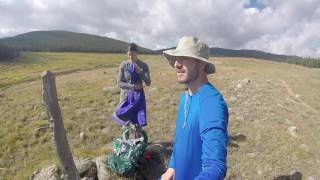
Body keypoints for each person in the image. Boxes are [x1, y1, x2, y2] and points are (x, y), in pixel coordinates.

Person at [161, 36, 229, 180]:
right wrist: (172, 167)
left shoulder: (211, 102)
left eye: (184, 58)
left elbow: (215, 166)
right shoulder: (185, 98)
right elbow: (180, 142)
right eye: (175, 59)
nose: (176, 64)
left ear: (202, 64)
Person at [113, 43, 151, 127]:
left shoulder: (144, 65)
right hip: (125, 97)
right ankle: (125, 138)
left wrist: (140, 72)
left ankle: (139, 139)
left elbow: (148, 82)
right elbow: (119, 83)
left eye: (133, 54)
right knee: (125, 123)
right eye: (129, 54)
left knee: (137, 123)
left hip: (138, 98)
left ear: (137, 53)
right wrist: (133, 86)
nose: (131, 57)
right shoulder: (124, 65)